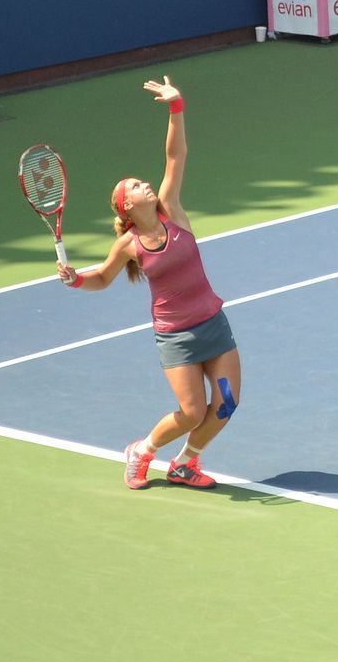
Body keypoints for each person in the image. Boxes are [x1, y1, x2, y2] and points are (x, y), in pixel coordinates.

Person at [57, 77, 237, 492]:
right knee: (192, 412)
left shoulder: (173, 211)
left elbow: (176, 156)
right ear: (127, 206)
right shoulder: (129, 245)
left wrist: (177, 108)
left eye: (142, 181)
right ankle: (142, 451)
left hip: (213, 323)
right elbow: (101, 278)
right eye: (135, 186)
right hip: (177, 337)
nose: (145, 185)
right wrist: (75, 279)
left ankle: (185, 464)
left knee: (226, 403)